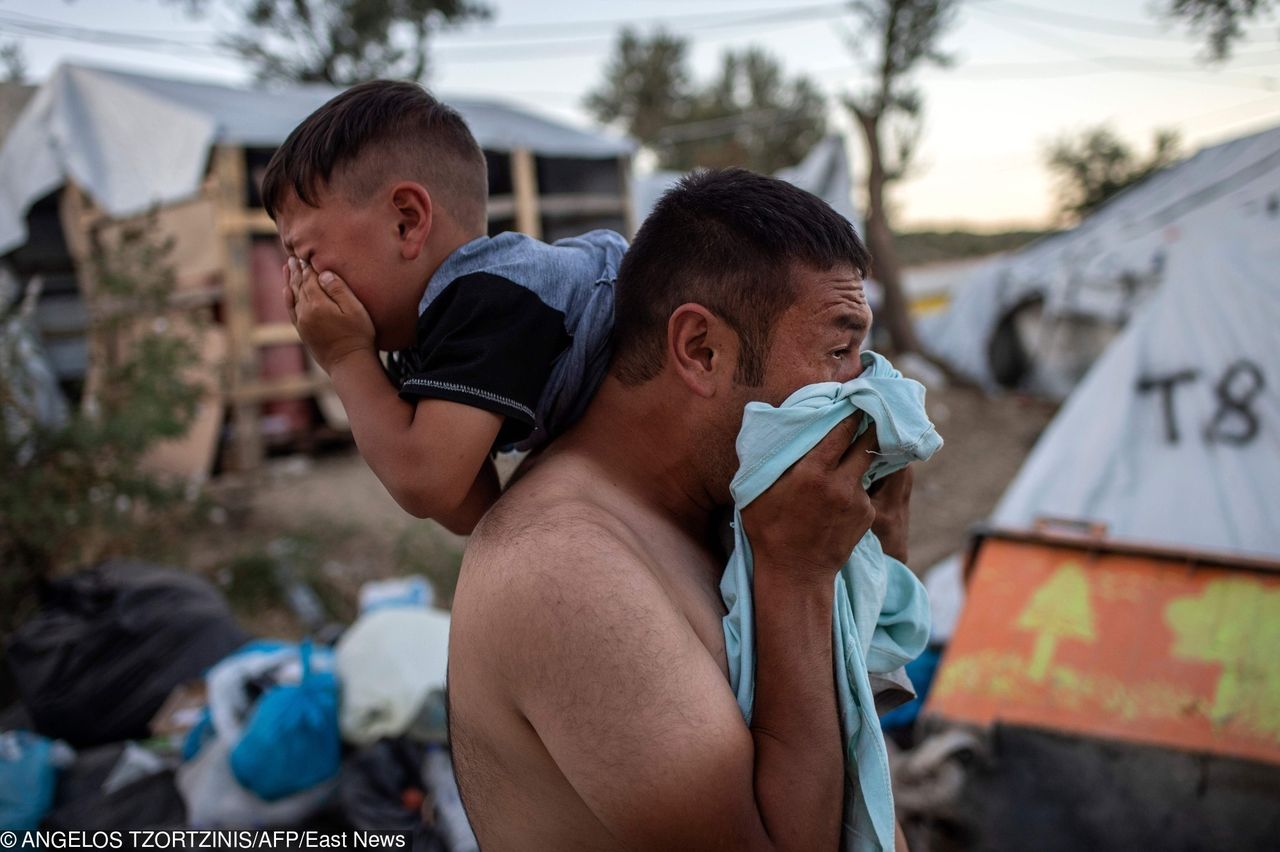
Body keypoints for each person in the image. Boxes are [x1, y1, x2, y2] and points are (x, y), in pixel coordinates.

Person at [448, 168, 914, 851]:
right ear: (702, 351)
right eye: (839, 352)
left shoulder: (725, 505)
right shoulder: (563, 569)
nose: (864, 389)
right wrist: (796, 577)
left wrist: (879, 540)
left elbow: (841, 728)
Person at [262, 80, 626, 534]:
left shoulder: (492, 294)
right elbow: (469, 507)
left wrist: (344, 358)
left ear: (406, 222)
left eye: (307, 258)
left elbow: (427, 481)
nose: (300, 287)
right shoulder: (425, 336)